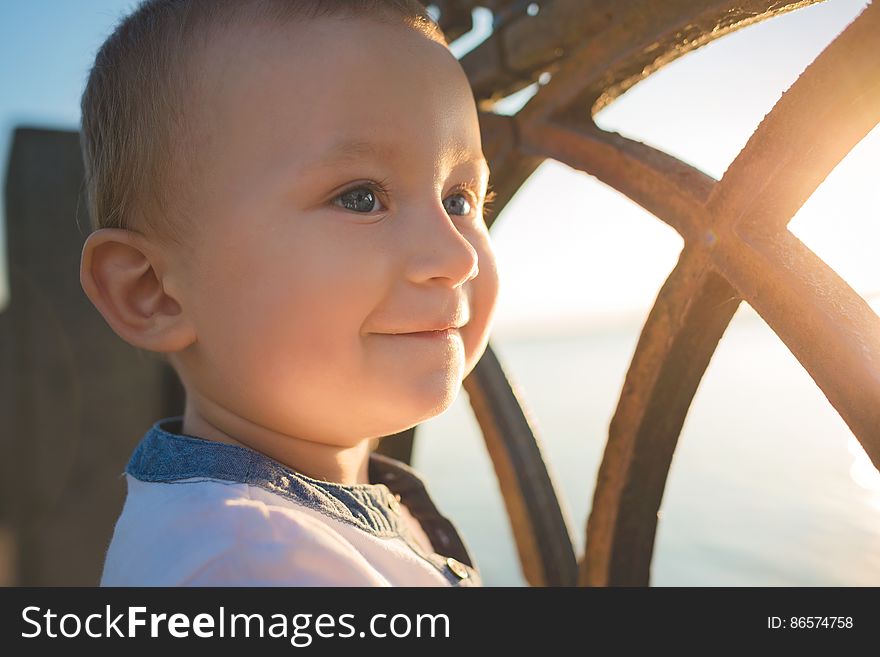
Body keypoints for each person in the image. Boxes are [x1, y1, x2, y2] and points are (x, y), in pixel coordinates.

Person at [78, 0, 500, 586]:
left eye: (459, 199)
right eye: (360, 197)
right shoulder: (249, 567)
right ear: (154, 292)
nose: (457, 257)